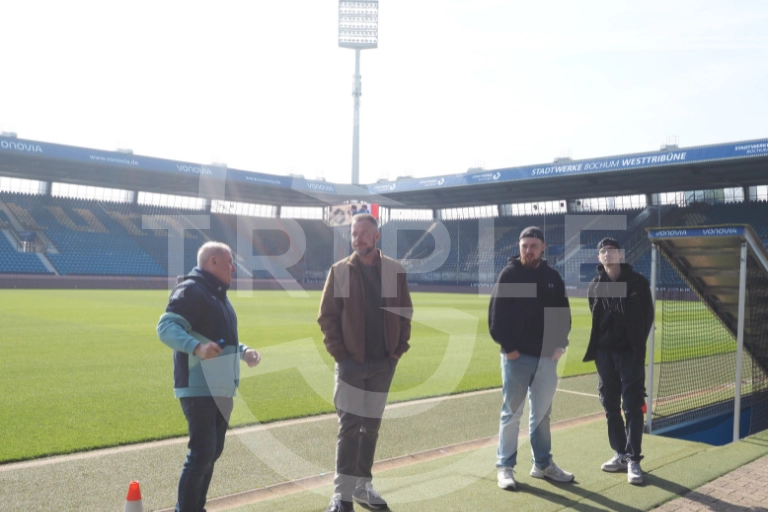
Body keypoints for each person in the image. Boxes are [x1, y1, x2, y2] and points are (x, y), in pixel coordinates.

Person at [318, 214, 413, 512]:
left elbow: (404, 313)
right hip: (351, 364)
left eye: (363, 233)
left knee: (370, 428)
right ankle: (342, 494)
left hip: (384, 364)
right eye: (354, 234)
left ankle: (362, 486)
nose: (358, 238)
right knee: (349, 428)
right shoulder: (341, 271)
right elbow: (327, 316)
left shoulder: (394, 271)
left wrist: (397, 351)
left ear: (376, 236)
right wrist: (340, 355)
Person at [157, 241, 261, 512]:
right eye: (230, 262)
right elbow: (166, 327)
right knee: (202, 454)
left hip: (222, 388)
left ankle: (196, 507)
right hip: (199, 387)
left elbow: (221, 339)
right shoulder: (191, 289)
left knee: (211, 453)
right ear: (213, 261)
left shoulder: (218, 295)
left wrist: (243, 351)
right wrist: (197, 348)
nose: (234, 268)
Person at [488, 226, 574, 490]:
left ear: (543, 247)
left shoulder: (552, 277)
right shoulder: (510, 275)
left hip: (547, 359)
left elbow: (563, 314)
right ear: (519, 247)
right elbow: (496, 316)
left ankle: (542, 465)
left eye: (533, 246)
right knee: (511, 414)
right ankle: (505, 467)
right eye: (524, 246)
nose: (528, 250)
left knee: (542, 415)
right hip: (517, 358)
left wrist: (560, 345)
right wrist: (509, 348)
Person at [583, 237, 654, 485]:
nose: (607, 254)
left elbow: (647, 317)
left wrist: (636, 344)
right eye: (603, 251)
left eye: (612, 250)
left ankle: (634, 459)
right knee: (610, 404)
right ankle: (620, 454)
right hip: (604, 354)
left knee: (633, 405)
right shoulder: (595, 285)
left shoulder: (637, 283)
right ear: (599, 257)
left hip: (629, 353)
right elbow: (594, 313)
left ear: (621, 255)